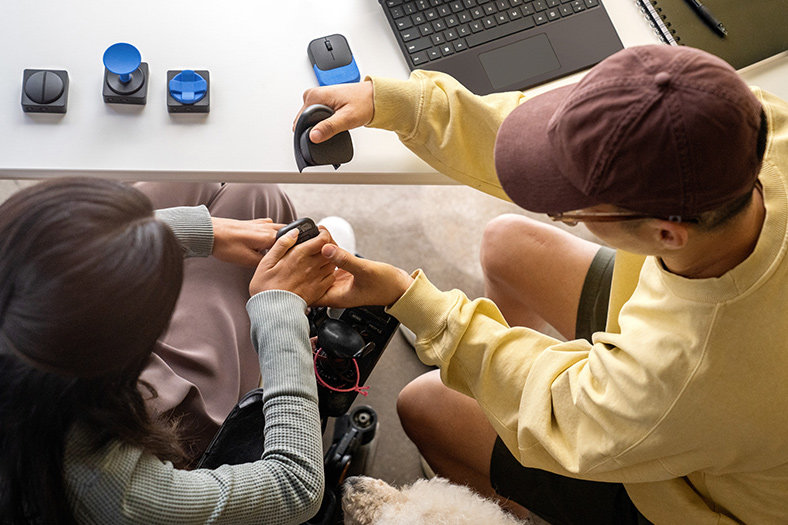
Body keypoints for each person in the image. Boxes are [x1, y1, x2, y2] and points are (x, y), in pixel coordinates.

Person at [294, 44, 788, 524]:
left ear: (664, 233)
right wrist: (403, 105)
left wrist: (415, 302)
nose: (558, 206)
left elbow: (566, 411)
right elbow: (576, 134)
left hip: (692, 489)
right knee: (507, 243)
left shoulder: (681, 375)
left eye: (568, 207)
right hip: (666, 357)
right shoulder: (752, 128)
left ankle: (503, 500)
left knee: (426, 407)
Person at [0, 178, 336, 523]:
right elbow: (296, 487)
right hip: (162, 428)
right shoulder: (120, 495)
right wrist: (281, 310)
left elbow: (37, 245)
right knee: (259, 209)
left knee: (253, 194)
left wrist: (202, 231)